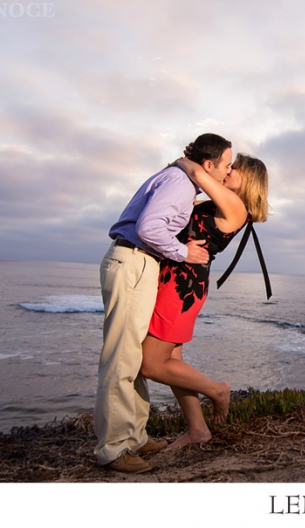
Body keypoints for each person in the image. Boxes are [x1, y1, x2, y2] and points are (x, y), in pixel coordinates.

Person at [94, 133, 233, 474]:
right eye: (226, 165)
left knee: (132, 355)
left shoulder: (180, 179)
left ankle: (134, 437)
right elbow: (149, 229)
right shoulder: (181, 184)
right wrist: (183, 252)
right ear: (209, 164)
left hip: (138, 262)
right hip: (135, 261)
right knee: (121, 359)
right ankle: (114, 449)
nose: (228, 172)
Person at [140, 152, 269, 449]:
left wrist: (182, 161)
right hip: (177, 278)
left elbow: (198, 175)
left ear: (249, 179)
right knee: (172, 360)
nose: (229, 170)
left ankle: (217, 391)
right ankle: (198, 430)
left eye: (235, 168)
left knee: (150, 364)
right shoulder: (220, 202)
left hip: (182, 286)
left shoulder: (236, 206)